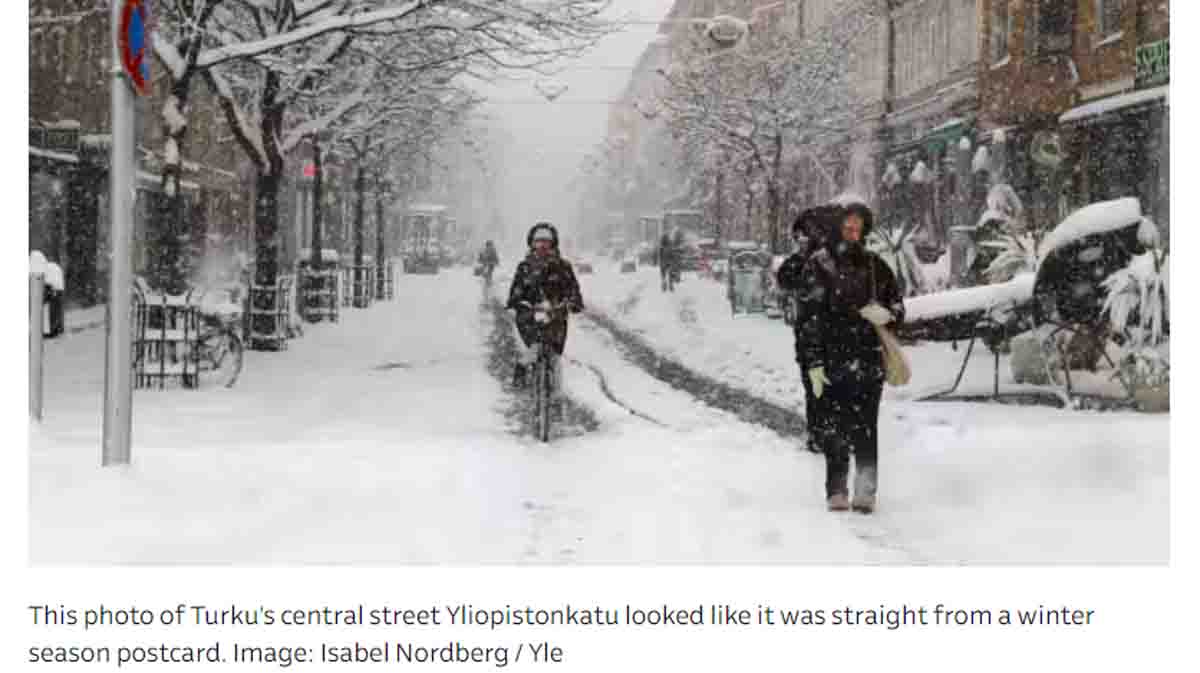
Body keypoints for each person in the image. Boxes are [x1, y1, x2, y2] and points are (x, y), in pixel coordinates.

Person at [796, 202, 904, 514]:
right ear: (837, 228)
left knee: (866, 426)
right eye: (847, 227)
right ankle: (837, 489)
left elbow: (898, 308)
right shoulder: (818, 266)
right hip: (832, 359)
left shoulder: (875, 266)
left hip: (868, 360)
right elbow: (808, 319)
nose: (853, 233)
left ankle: (866, 490)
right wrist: (813, 362)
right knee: (834, 428)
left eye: (858, 227)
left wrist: (886, 314)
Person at [776, 205, 843, 454]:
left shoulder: (828, 260)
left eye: (803, 236)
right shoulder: (808, 261)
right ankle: (824, 436)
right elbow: (785, 278)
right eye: (798, 237)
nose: (799, 241)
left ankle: (825, 436)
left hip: (825, 339)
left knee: (823, 391)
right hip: (818, 340)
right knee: (821, 390)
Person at [506, 223, 584, 389]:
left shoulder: (563, 267)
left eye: (546, 242)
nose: (542, 246)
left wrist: (572, 302)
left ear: (553, 244)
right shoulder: (524, 267)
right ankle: (524, 364)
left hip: (556, 317)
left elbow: (574, 291)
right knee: (532, 347)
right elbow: (515, 293)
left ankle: (555, 386)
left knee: (555, 352)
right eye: (538, 242)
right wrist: (518, 304)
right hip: (530, 319)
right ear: (531, 244)